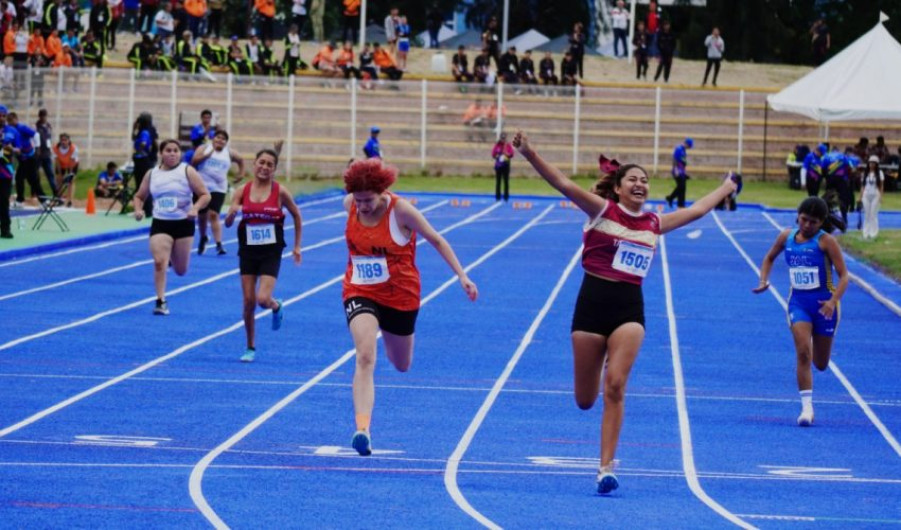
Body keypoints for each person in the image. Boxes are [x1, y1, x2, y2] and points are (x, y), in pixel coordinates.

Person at [512, 129, 739, 494]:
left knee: (615, 384)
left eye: (645, 180)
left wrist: (726, 188)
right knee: (585, 400)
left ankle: (606, 467)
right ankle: (602, 363)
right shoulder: (602, 210)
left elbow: (696, 210)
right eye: (633, 179)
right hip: (590, 307)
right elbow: (562, 183)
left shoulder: (653, 223)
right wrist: (529, 153)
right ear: (617, 188)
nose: (640, 184)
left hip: (629, 311)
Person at [341, 157, 478, 455]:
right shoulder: (349, 204)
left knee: (401, 364)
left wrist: (462, 276)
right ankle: (362, 429)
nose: (361, 206)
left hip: (400, 295)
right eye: (358, 200)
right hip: (359, 289)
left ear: (382, 191)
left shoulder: (401, 210)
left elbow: (436, 239)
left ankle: (394, 346)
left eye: (368, 200)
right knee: (365, 354)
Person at [753, 197, 849, 427]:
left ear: (821, 222)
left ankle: (814, 340)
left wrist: (832, 301)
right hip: (798, 304)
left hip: (825, 306)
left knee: (821, 363)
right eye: (804, 220)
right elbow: (768, 258)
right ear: (798, 215)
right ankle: (807, 408)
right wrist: (764, 279)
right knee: (803, 354)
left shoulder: (826, 242)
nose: (807, 226)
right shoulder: (786, 236)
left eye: (813, 222)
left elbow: (845, 276)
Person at [224, 147, 302, 362]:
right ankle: (250, 347)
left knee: (262, 299)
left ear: (274, 170)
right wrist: (231, 215)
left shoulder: (280, 192)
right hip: (248, 250)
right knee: (248, 302)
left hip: (271, 251)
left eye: (270, 164)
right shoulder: (242, 191)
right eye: (262, 162)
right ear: (254, 164)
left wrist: (297, 246)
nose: (264, 167)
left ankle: (276, 305)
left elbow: (296, 215)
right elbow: (229, 222)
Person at [132, 139, 211, 316]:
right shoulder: (152, 174)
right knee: (159, 262)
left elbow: (205, 195)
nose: (173, 153)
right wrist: (138, 210)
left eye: (176, 150)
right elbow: (139, 196)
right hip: (161, 223)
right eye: (168, 150)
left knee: (181, 270)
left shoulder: (187, 171)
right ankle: (161, 301)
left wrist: (195, 208)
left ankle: (171, 257)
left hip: (184, 223)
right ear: (161, 153)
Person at [192, 129, 246, 255]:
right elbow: (194, 161)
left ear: (226, 142)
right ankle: (203, 237)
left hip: (219, 187)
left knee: (213, 214)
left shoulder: (229, 152)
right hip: (202, 186)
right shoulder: (204, 148)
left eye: (223, 139)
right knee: (202, 215)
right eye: (218, 137)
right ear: (213, 138)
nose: (220, 140)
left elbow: (241, 160)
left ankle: (219, 244)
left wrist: (241, 173)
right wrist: (207, 155)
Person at [132, 112, 158, 217]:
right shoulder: (145, 131)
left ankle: (147, 210)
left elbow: (143, 143)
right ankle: (143, 209)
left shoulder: (145, 132)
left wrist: (139, 149)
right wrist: (134, 129)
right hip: (143, 160)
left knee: (143, 186)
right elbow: (133, 138)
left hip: (143, 160)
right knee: (141, 186)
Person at [52, 132, 78, 207]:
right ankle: (59, 199)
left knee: (71, 181)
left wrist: (69, 174)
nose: (63, 142)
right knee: (58, 180)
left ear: (68, 140)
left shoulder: (73, 148)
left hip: (72, 164)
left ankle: (70, 200)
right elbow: (57, 162)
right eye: (62, 140)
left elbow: (72, 163)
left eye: (65, 140)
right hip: (61, 164)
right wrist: (60, 174)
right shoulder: (55, 148)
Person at [861, 155, 883, 240]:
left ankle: (873, 233)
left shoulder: (879, 173)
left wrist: (881, 196)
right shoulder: (865, 173)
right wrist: (861, 196)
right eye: (870, 163)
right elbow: (863, 186)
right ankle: (865, 233)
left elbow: (881, 186)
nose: (872, 164)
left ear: (876, 164)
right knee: (867, 214)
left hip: (875, 195)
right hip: (866, 195)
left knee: (873, 214)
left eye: (874, 163)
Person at [666, 137, 693, 208]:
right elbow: (675, 159)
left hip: (682, 172)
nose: (689, 148)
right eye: (689, 146)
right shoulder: (679, 149)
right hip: (677, 171)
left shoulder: (683, 150)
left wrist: (685, 173)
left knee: (682, 188)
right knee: (681, 187)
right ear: (687, 144)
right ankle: (672, 198)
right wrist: (676, 170)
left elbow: (683, 162)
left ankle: (680, 204)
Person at [492, 132, 513, 201]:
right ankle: (497, 197)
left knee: (506, 182)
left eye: (504, 138)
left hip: (506, 165)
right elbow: (493, 154)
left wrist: (506, 154)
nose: (503, 140)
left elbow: (511, 154)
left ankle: (506, 197)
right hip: (499, 166)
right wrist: (497, 155)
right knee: (498, 182)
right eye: (502, 138)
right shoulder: (497, 145)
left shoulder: (508, 145)